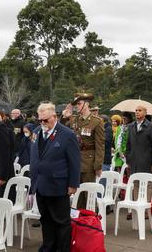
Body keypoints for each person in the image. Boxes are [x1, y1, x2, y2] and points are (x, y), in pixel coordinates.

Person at [30, 102, 80, 252]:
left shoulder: (67, 134)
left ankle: (62, 249)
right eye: (40, 120)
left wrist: (73, 184)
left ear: (55, 116)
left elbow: (74, 162)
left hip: (58, 185)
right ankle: (48, 247)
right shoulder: (37, 132)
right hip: (40, 184)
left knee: (61, 222)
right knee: (45, 220)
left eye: (46, 120)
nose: (43, 123)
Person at [61, 93, 104, 208]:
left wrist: (98, 165)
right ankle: (80, 222)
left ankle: (92, 221)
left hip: (88, 163)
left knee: (88, 195)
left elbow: (100, 145)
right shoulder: (74, 119)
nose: (77, 107)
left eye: (79, 104)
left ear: (87, 104)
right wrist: (65, 116)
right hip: (75, 161)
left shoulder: (96, 121)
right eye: (75, 105)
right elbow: (60, 128)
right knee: (77, 194)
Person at [126, 106, 152, 174]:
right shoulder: (130, 126)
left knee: (147, 184)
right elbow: (128, 145)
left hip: (147, 163)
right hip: (133, 163)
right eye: (136, 110)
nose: (137, 112)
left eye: (140, 110)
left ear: (145, 113)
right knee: (134, 184)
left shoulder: (151, 127)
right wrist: (128, 160)